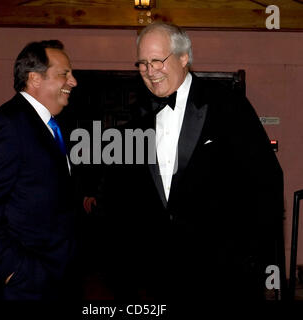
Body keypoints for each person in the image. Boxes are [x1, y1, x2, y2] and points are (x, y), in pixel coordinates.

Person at [103, 22, 286, 301]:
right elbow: (126, 203)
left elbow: (268, 182)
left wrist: (250, 260)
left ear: (184, 57)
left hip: (223, 276)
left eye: (157, 61)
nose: (150, 72)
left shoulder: (228, 105)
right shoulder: (137, 119)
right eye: (142, 63)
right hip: (157, 280)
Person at [0, 40, 78, 300]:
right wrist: (12, 271)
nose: (73, 81)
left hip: (52, 276)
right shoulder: (7, 126)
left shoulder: (50, 126)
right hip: (23, 285)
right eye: (65, 74)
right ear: (35, 79)